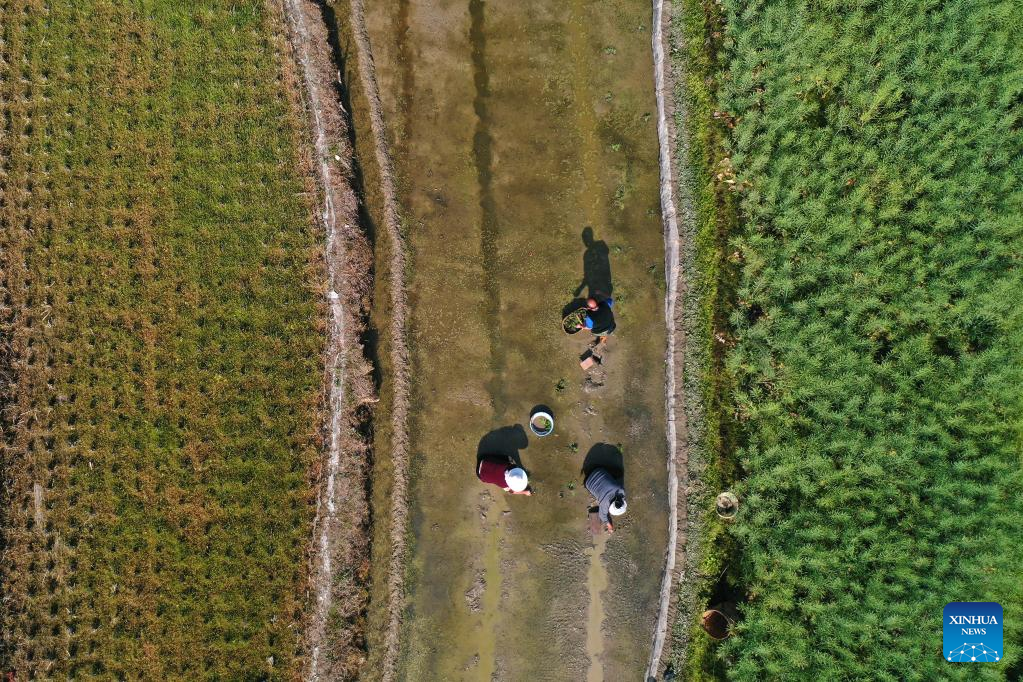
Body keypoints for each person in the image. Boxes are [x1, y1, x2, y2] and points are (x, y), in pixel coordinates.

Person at [584, 466, 626, 533]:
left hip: (598, 470)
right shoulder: (604, 503)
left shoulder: (621, 490)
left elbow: (623, 497)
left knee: (619, 474)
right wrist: (609, 526)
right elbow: (602, 516)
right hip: (588, 482)